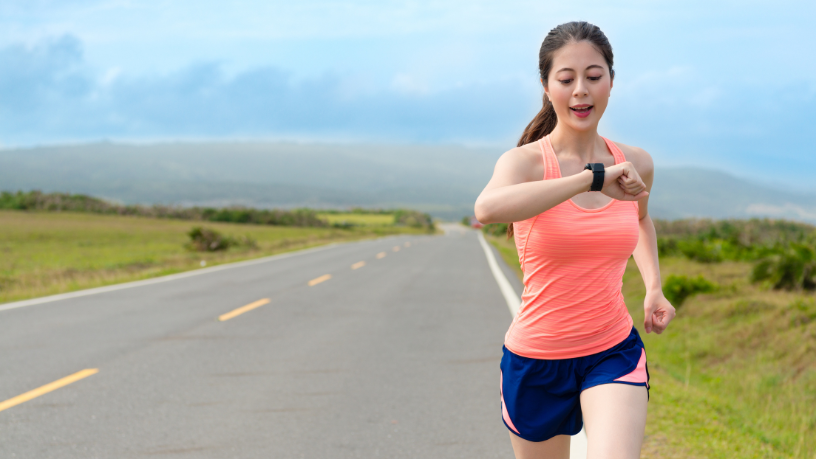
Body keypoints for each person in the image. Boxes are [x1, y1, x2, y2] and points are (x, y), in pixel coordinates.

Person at [474, 21, 676, 459]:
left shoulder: (635, 162)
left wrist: (654, 286)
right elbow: (486, 210)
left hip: (612, 350)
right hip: (536, 360)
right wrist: (590, 180)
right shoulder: (525, 163)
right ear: (547, 86)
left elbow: (641, 220)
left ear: (611, 81)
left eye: (594, 75)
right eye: (566, 79)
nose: (581, 90)